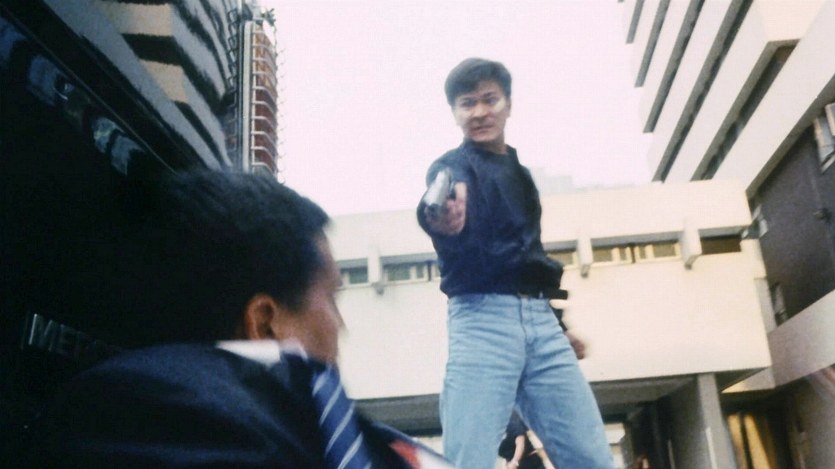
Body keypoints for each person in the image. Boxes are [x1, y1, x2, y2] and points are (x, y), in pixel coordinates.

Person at [27, 170, 451, 468]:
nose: (340, 325)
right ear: (264, 323)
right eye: (332, 296)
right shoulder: (168, 418)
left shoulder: (311, 427)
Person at [417, 57, 614, 469]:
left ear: (508, 104)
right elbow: (436, 202)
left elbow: (530, 257)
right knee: (467, 460)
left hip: (542, 324)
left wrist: (559, 326)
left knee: (593, 458)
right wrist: (441, 220)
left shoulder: (520, 175)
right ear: (454, 113)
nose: (479, 112)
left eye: (489, 100)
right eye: (467, 103)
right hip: (482, 323)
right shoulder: (453, 167)